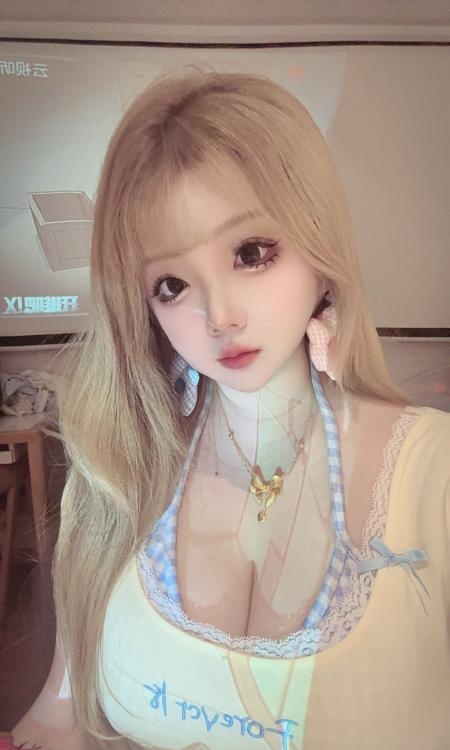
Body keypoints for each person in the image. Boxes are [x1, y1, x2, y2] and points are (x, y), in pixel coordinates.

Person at [8, 68, 449, 750]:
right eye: (172, 284)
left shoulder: (433, 474)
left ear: (320, 252)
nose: (220, 316)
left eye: (252, 252)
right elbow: (55, 719)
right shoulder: (117, 473)